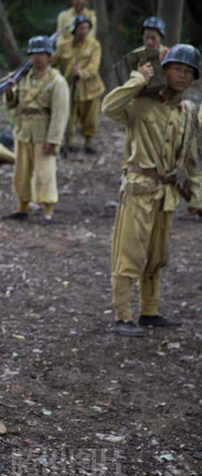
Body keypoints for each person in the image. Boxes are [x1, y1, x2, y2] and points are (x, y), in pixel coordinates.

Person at [102, 45, 201, 336]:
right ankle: (122, 315)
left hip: (166, 193)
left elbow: (191, 159)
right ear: (165, 70)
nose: (182, 76)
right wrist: (137, 80)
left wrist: (197, 197)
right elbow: (108, 107)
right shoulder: (139, 103)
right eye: (177, 69)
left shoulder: (187, 113)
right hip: (138, 189)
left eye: (188, 72)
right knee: (129, 253)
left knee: (157, 255)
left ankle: (150, 311)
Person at [3, 36, 70, 224]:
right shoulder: (23, 78)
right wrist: (9, 91)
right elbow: (12, 104)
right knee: (21, 172)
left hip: (43, 131)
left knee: (45, 172)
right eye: (33, 54)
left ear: (49, 56)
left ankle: (48, 210)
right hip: (24, 129)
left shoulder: (57, 81)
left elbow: (60, 113)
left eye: (41, 54)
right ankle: (22, 206)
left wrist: (54, 139)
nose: (37, 58)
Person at [52, 14, 104, 154]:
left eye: (87, 28)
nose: (84, 31)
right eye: (81, 28)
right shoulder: (64, 46)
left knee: (90, 118)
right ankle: (66, 143)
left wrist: (83, 73)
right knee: (69, 117)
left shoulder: (94, 45)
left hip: (90, 88)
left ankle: (88, 143)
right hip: (69, 88)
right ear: (75, 30)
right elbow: (52, 62)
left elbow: (94, 65)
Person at [115, 17, 169, 98]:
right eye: (146, 37)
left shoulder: (168, 54)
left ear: (161, 38)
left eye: (153, 38)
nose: (149, 42)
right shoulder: (135, 55)